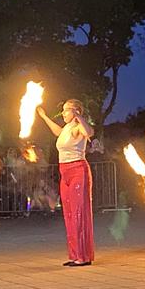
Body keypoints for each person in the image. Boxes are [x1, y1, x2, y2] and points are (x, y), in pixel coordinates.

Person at [37, 99, 95, 266]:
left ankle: (83, 256)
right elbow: (57, 131)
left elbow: (89, 132)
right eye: (63, 110)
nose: (63, 113)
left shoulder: (79, 127)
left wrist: (78, 116)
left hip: (78, 171)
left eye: (66, 110)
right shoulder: (66, 129)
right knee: (69, 214)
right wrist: (44, 116)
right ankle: (74, 255)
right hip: (65, 173)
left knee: (78, 213)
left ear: (76, 111)